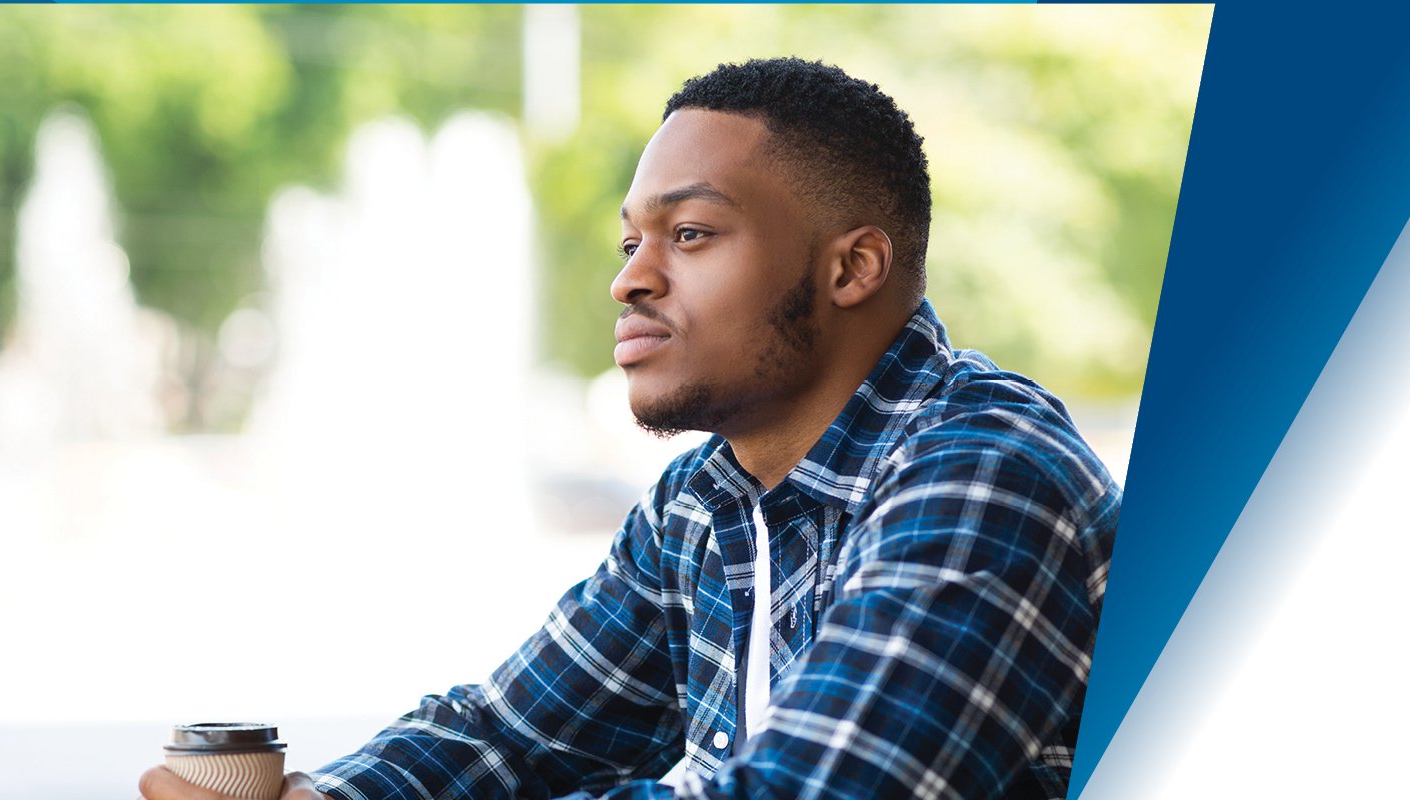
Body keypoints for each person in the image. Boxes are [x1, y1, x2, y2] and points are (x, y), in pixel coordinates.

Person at [139, 57, 1117, 800]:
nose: (630, 278)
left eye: (688, 234)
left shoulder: (982, 476)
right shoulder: (705, 498)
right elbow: (511, 734)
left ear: (852, 268)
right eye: (628, 240)